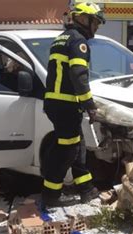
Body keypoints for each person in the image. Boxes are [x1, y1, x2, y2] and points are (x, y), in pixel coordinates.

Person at [41, 2, 105, 207]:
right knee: (67, 152)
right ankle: (51, 195)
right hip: (66, 105)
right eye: (95, 22)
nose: (96, 27)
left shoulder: (61, 39)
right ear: (83, 19)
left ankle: (87, 189)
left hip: (57, 103)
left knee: (77, 148)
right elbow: (78, 76)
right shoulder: (78, 42)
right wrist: (90, 105)